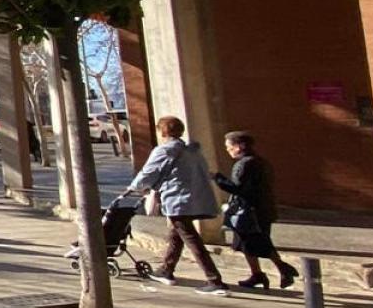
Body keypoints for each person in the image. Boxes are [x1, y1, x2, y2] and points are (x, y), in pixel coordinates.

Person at [125, 115, 229, 295]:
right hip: (195, 197)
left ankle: (214, 280)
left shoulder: (165, 150)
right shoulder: (192, 151)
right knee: (177, 234)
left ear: (162, 131)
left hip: (177, 199)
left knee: (190, 238)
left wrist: (134, 187)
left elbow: (149, 172)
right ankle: (166, 269)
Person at [215, 131, 297, 291]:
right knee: (250, 242)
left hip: (250, 211)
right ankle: (258, 273)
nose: (228, 150)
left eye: (229, 147)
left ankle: (281, 268)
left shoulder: (243, 164)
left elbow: (237, 188)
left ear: (238, 147)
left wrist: (217, 178)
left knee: (256, 241)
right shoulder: (261, 162)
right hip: (262, 208)